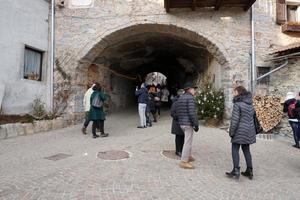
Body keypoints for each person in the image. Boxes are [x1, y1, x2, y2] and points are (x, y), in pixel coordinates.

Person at [226, 86, 256, 180]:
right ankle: (250, 170)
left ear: (239, 92)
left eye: (234, 92)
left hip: (239, 131)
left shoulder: (238, 104)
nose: (233, 94)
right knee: (246, 149)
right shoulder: (250, 104)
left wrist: (231, 132)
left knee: (235, 148)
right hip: (249, 131)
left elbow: (235, 121)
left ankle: (236, 170)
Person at [176, 82, 199, 169]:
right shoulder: (190, 98)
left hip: (182, 123)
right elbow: (192, 113)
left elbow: (177, 110)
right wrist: (196, 124)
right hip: (188, 123)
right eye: (194, 89)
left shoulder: (181, 97)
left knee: (187, 140)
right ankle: (184, 161)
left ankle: (188, 156)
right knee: (188, 142)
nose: (195, 90)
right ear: (189, 89)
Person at [170, 89, 185, 157]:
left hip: (183, 122)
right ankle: (178, 151)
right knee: (178, 138)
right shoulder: (175, 103)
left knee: (182, 137)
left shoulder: (184, 102)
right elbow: (172, 113)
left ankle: (181, 150)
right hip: (177, 123)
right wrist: (179, 117)